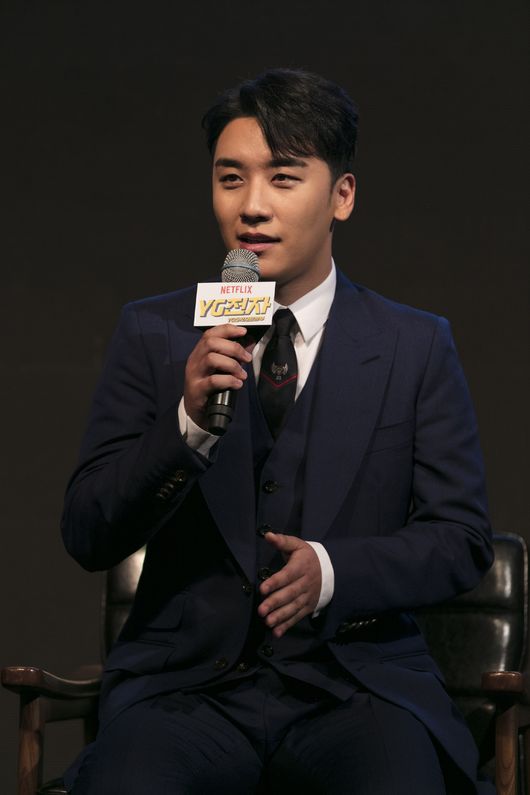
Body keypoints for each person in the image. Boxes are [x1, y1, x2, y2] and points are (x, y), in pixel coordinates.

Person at [62, 69, 494, 794]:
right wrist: (186, 425)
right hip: (186, 693)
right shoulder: (155, 333)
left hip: (354, 688)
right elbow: (87, 532)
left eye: (283, 178)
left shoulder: (415, 345)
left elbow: (461, 538)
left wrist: (333, 571)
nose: (252, 206)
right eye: (230, 179)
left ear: (342, 197)